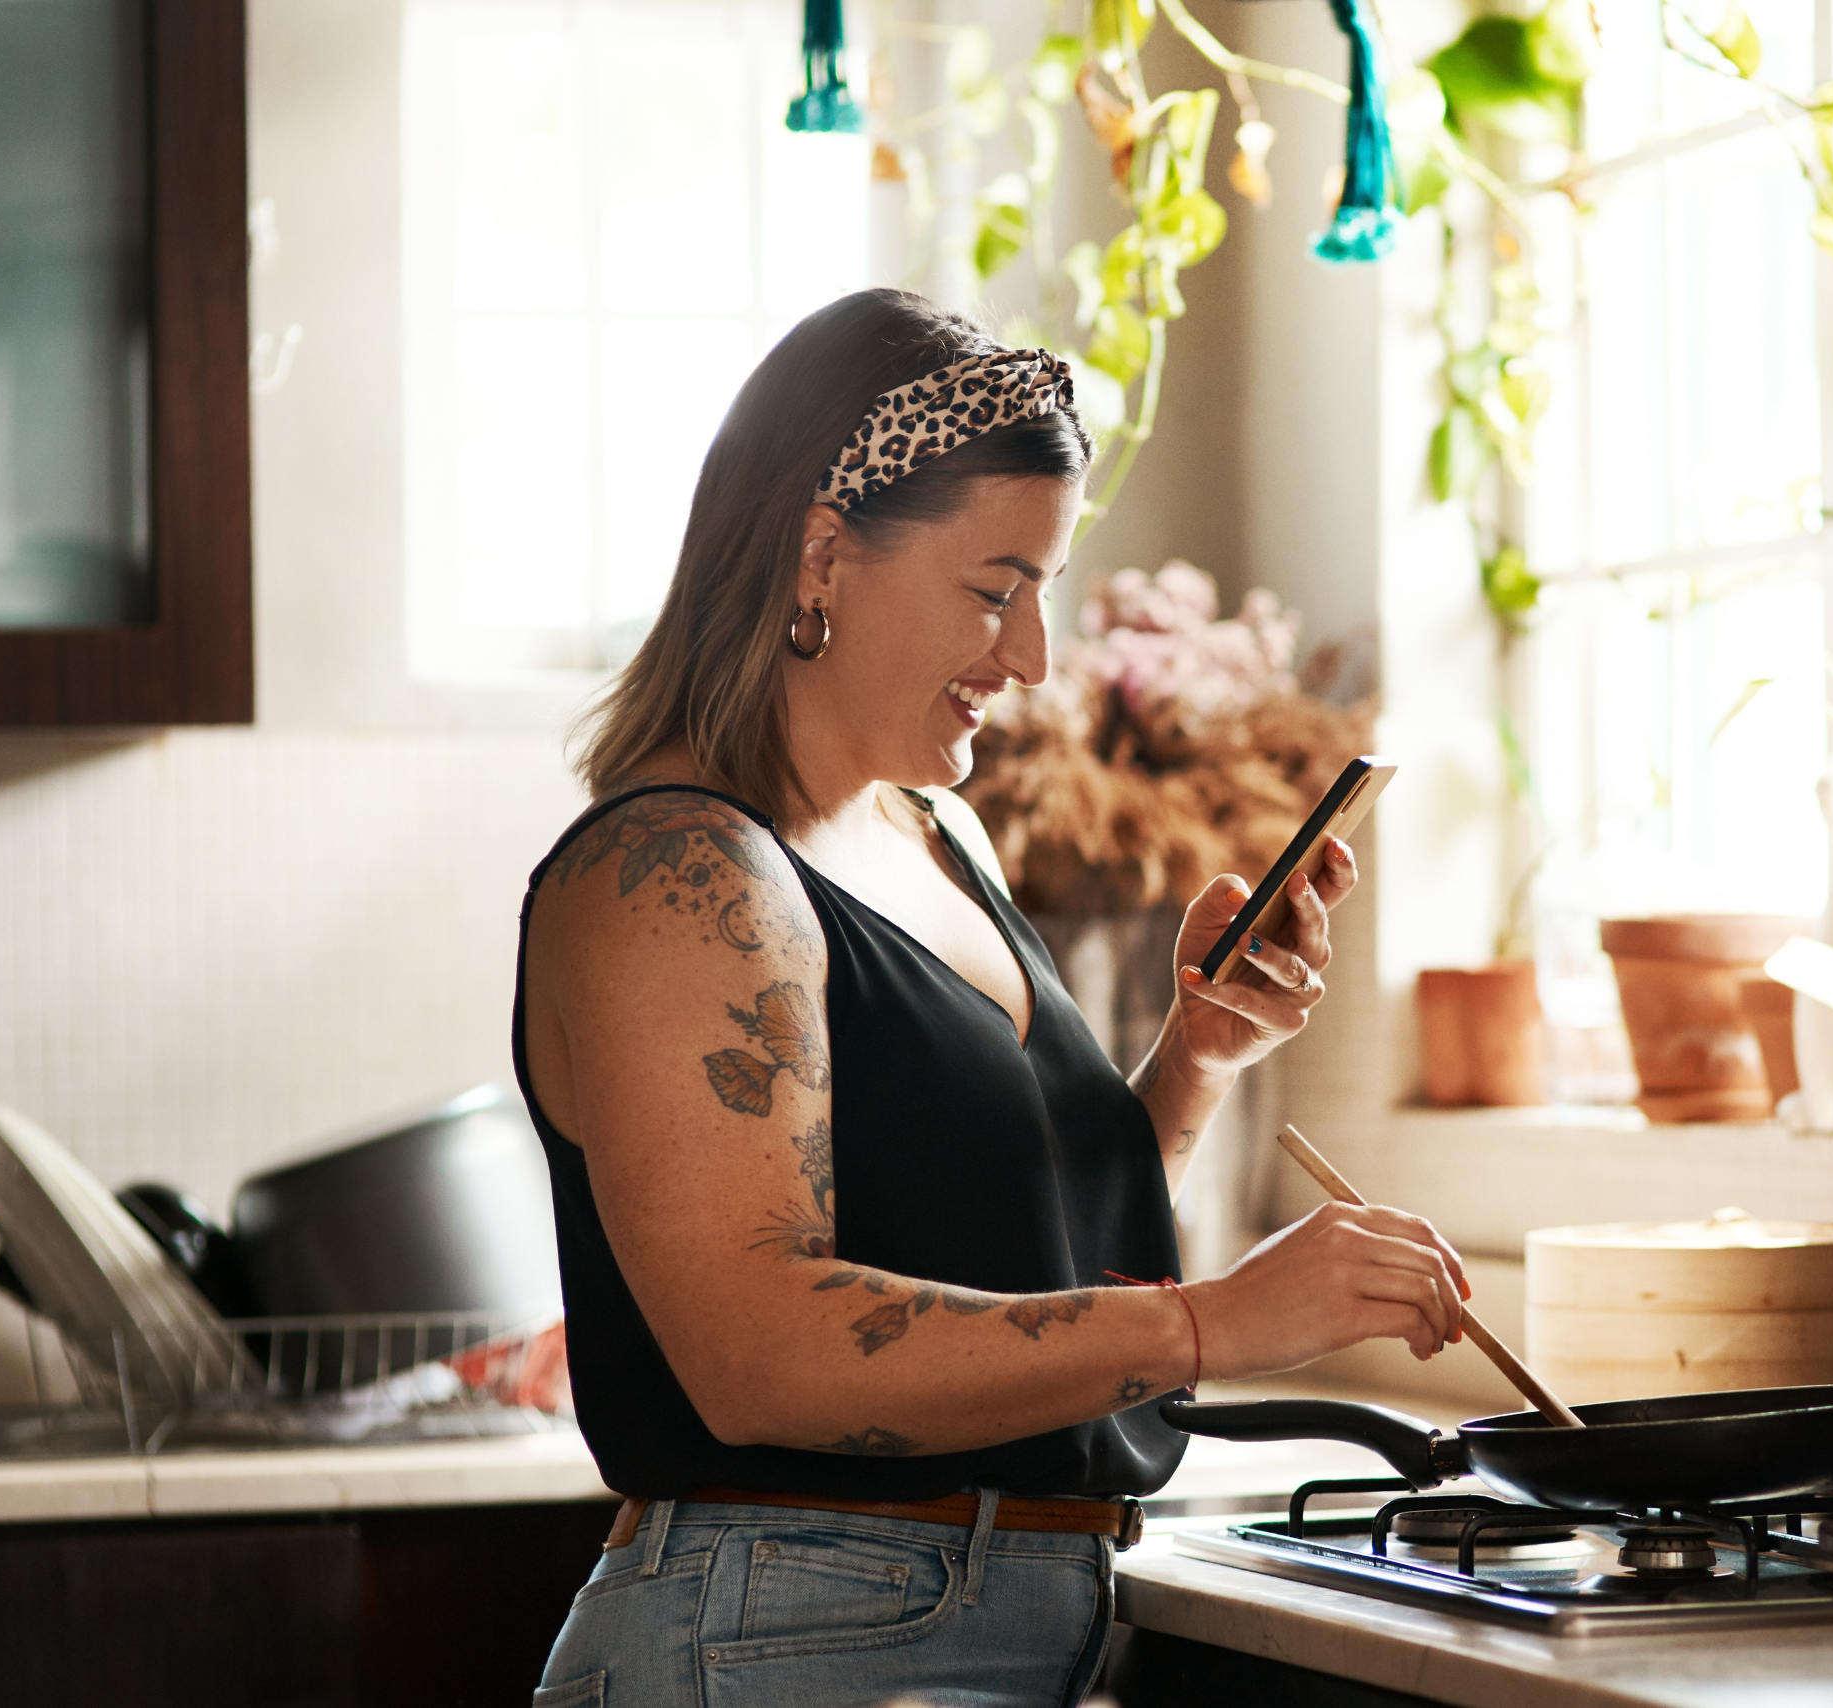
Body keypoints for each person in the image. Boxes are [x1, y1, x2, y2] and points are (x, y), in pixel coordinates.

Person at [514, 288, 1470, 1708]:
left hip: (1007, 1614)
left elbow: (1018, 1253)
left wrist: (1195, 1060)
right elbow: (761, 1356)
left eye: (1046, 591)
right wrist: (1213, 1322)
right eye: (991, 588)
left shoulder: (929, 837)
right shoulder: (671, 874)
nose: (1028, 658)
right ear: (821, 559)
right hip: (777, 1634)